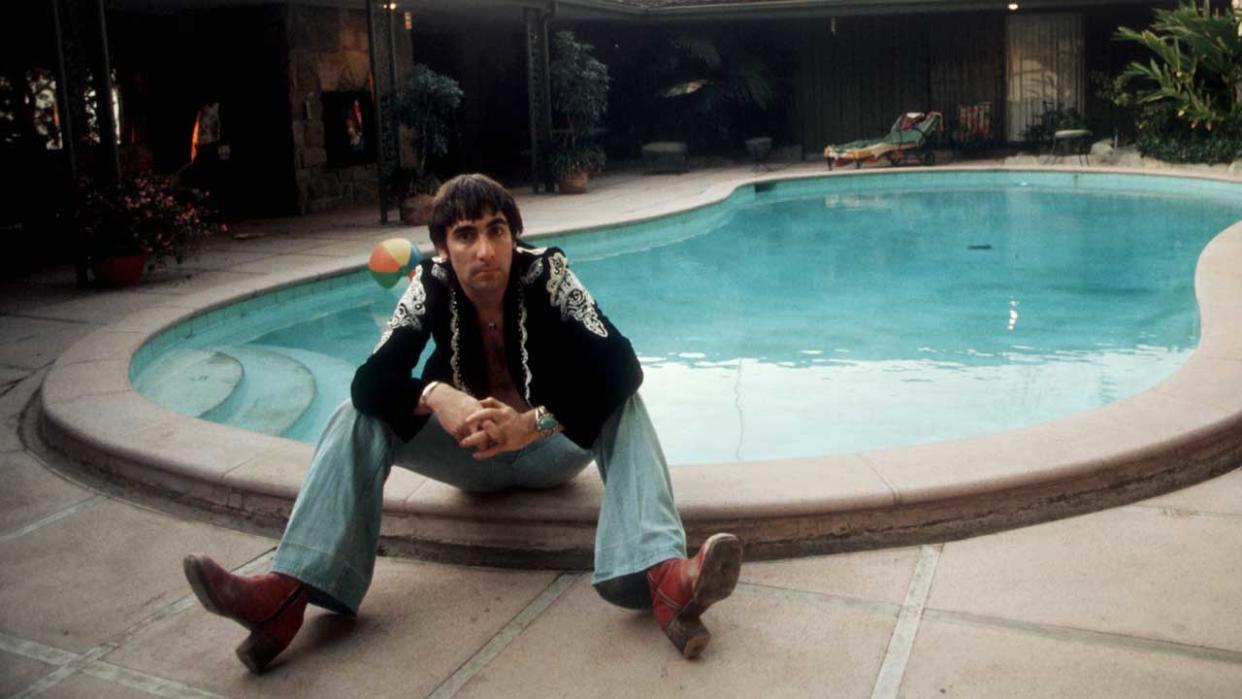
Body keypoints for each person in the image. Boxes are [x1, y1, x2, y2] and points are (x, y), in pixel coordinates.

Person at [182, 174, 743, 673]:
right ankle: (287, 595)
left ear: (514, 236)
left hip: (550, 450)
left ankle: (666, 578)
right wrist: (434, 394)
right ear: (442, 248)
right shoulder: (428, 285)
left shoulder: (550, 273)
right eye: (465, 235)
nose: (485, 250)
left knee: (625, 402)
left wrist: (534, 423)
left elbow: (622, 365)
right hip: (468, 458)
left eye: (498, 231)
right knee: (356, 413)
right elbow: (368, 382)